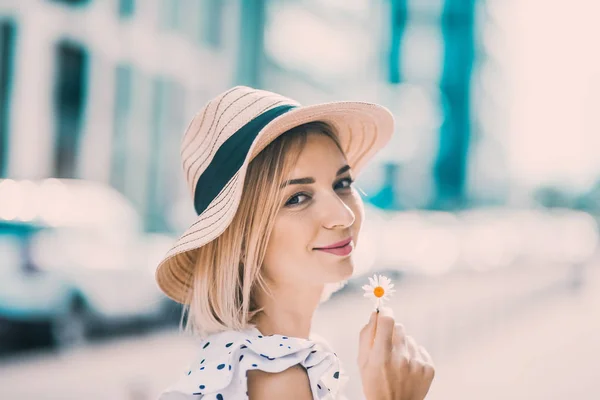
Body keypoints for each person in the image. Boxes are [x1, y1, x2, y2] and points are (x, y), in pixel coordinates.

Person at [155, 86, 435, 399]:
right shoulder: (277, 378)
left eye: (342, 183)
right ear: (243, 239)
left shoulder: (265, 359)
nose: (343, 215)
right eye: (297, 197)